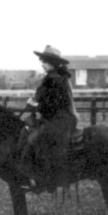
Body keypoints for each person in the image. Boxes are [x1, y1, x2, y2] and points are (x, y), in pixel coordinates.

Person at [20, 45, 79, 190]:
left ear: (52, 63)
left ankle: (43, 179)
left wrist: (34, 105)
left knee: (34, 139)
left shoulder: (56, 79)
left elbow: (52, 105)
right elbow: (47, 102)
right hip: (58, 117)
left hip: (62, 119)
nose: (42, 64)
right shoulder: (54, 77)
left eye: (44, 61)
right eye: (42, 61)